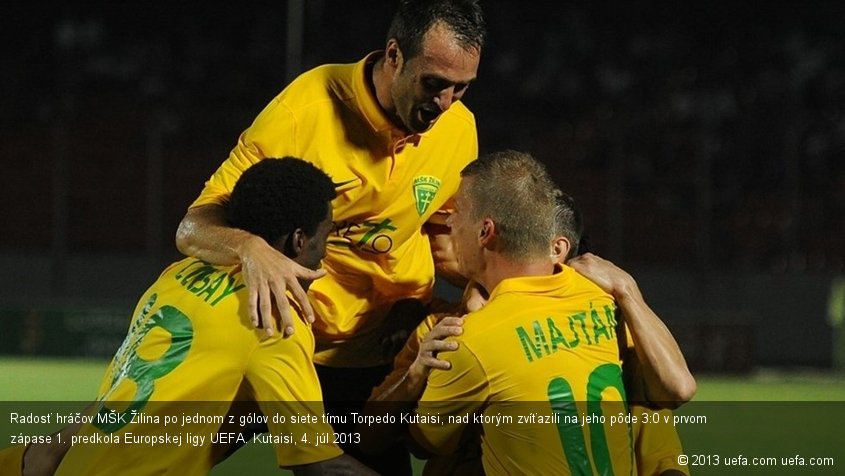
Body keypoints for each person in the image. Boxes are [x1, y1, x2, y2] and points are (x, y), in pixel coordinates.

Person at [174, 0, 485, 471]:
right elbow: (193, 227)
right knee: (160, 454)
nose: (445, 104)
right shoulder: (303, 113)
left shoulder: (459, 130)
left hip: (375, 357)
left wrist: (492, 293)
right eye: (434, 84)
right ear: (395, 54)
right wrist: (251, 249)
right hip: (284, 342)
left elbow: (446, 241)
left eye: (461, 88)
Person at [1, 158, 375, 475]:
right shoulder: (274, 321)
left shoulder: (179, 275)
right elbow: (319, 466)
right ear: (298, 240)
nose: (325, 252)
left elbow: (127, 388)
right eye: (325, 236)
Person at [359, 184, 693, 475]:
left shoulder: (604, 329)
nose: (439, 234)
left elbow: (664, 452)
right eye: (432, 226)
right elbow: (370, 437)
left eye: (451, 223)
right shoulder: (440, 331)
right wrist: (413, 378)